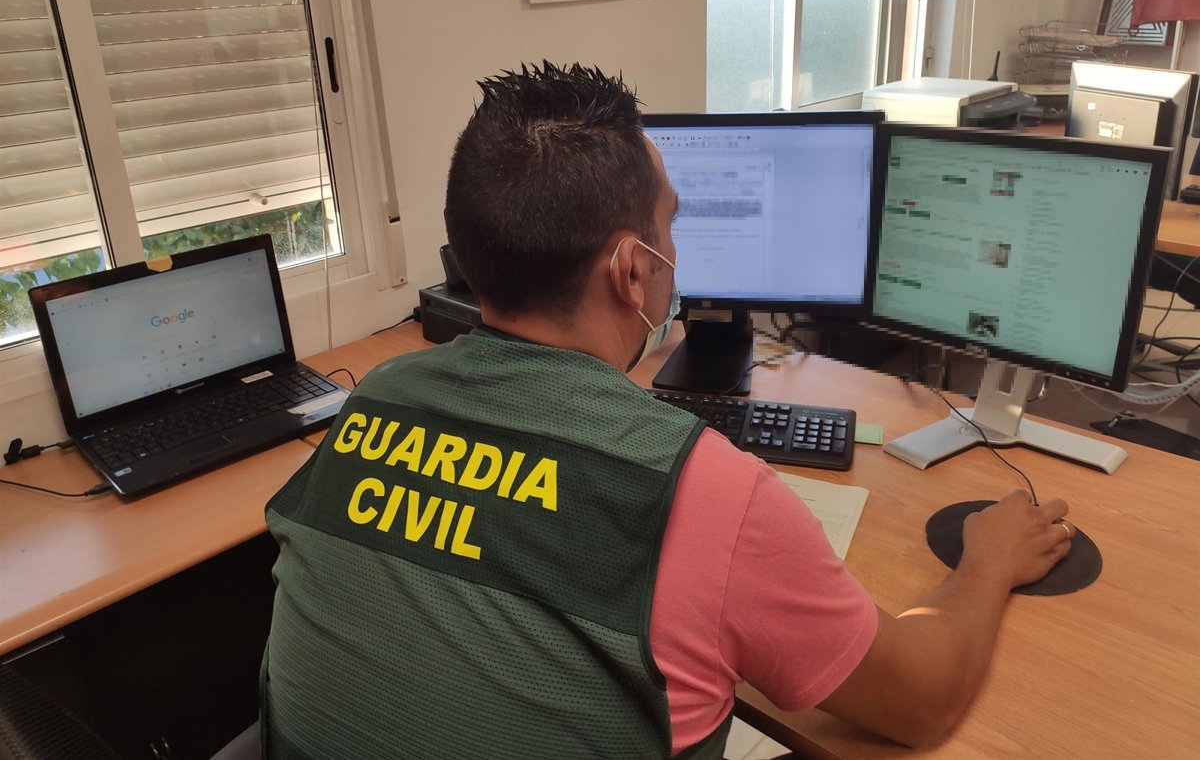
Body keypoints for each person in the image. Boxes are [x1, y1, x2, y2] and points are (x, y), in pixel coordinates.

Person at [260, 62, 1074, 759]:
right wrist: (987, 562)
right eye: (670, 224)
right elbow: (922, 701)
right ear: (631, 270)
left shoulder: (376, 400)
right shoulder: (706, 492)